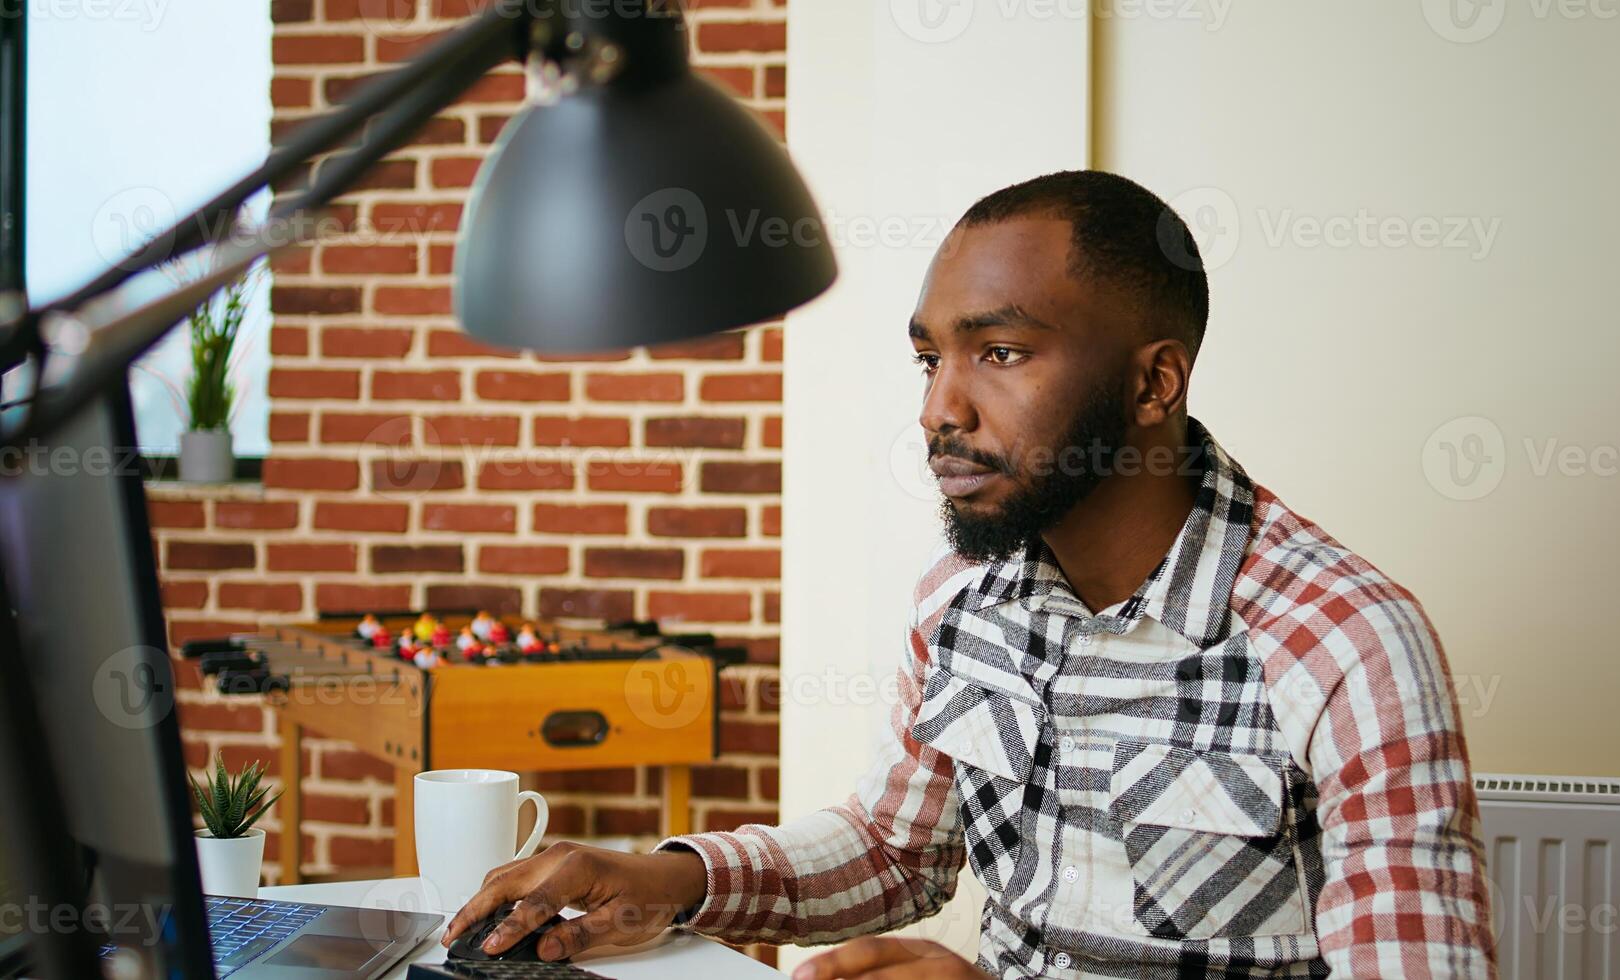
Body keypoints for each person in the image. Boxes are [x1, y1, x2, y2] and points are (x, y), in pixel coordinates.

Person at [441, 171, 1498, 978]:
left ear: (1153, 381)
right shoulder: (962, 596)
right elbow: (894, 849)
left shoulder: (1346, 642)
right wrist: (664, 880)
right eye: (929, 357)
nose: (939, 407)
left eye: (998, 352)